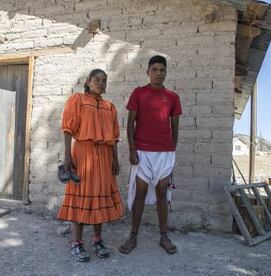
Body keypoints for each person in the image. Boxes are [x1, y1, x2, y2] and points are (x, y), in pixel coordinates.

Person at [57, 69, 124, 262]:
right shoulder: (77, 100)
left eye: (104, 80)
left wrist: (115, 160)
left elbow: (114, 138)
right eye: (97, 79)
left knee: (99, 198)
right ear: (88, 81)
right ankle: (76, 242)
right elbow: (68, 129)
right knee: (81, 198)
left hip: (104, 156)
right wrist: (68, 157)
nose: (101, 83)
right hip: (83, 153)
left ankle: (97, 239)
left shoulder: (109, 107)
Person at [119, 55, 182, 255]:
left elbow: (175, 127)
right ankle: (133, 236)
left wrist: (171, 151)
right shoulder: (138, 93)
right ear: (148, 72)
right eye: (154, 69)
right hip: (143, 152)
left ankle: (164, 236)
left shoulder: (172, 97)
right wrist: (131, 149)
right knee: (140, 193)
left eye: (162, 70)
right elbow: (130, 123)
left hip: (165, 153)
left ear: (166, 73)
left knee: (163, 194)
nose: (158, 73)